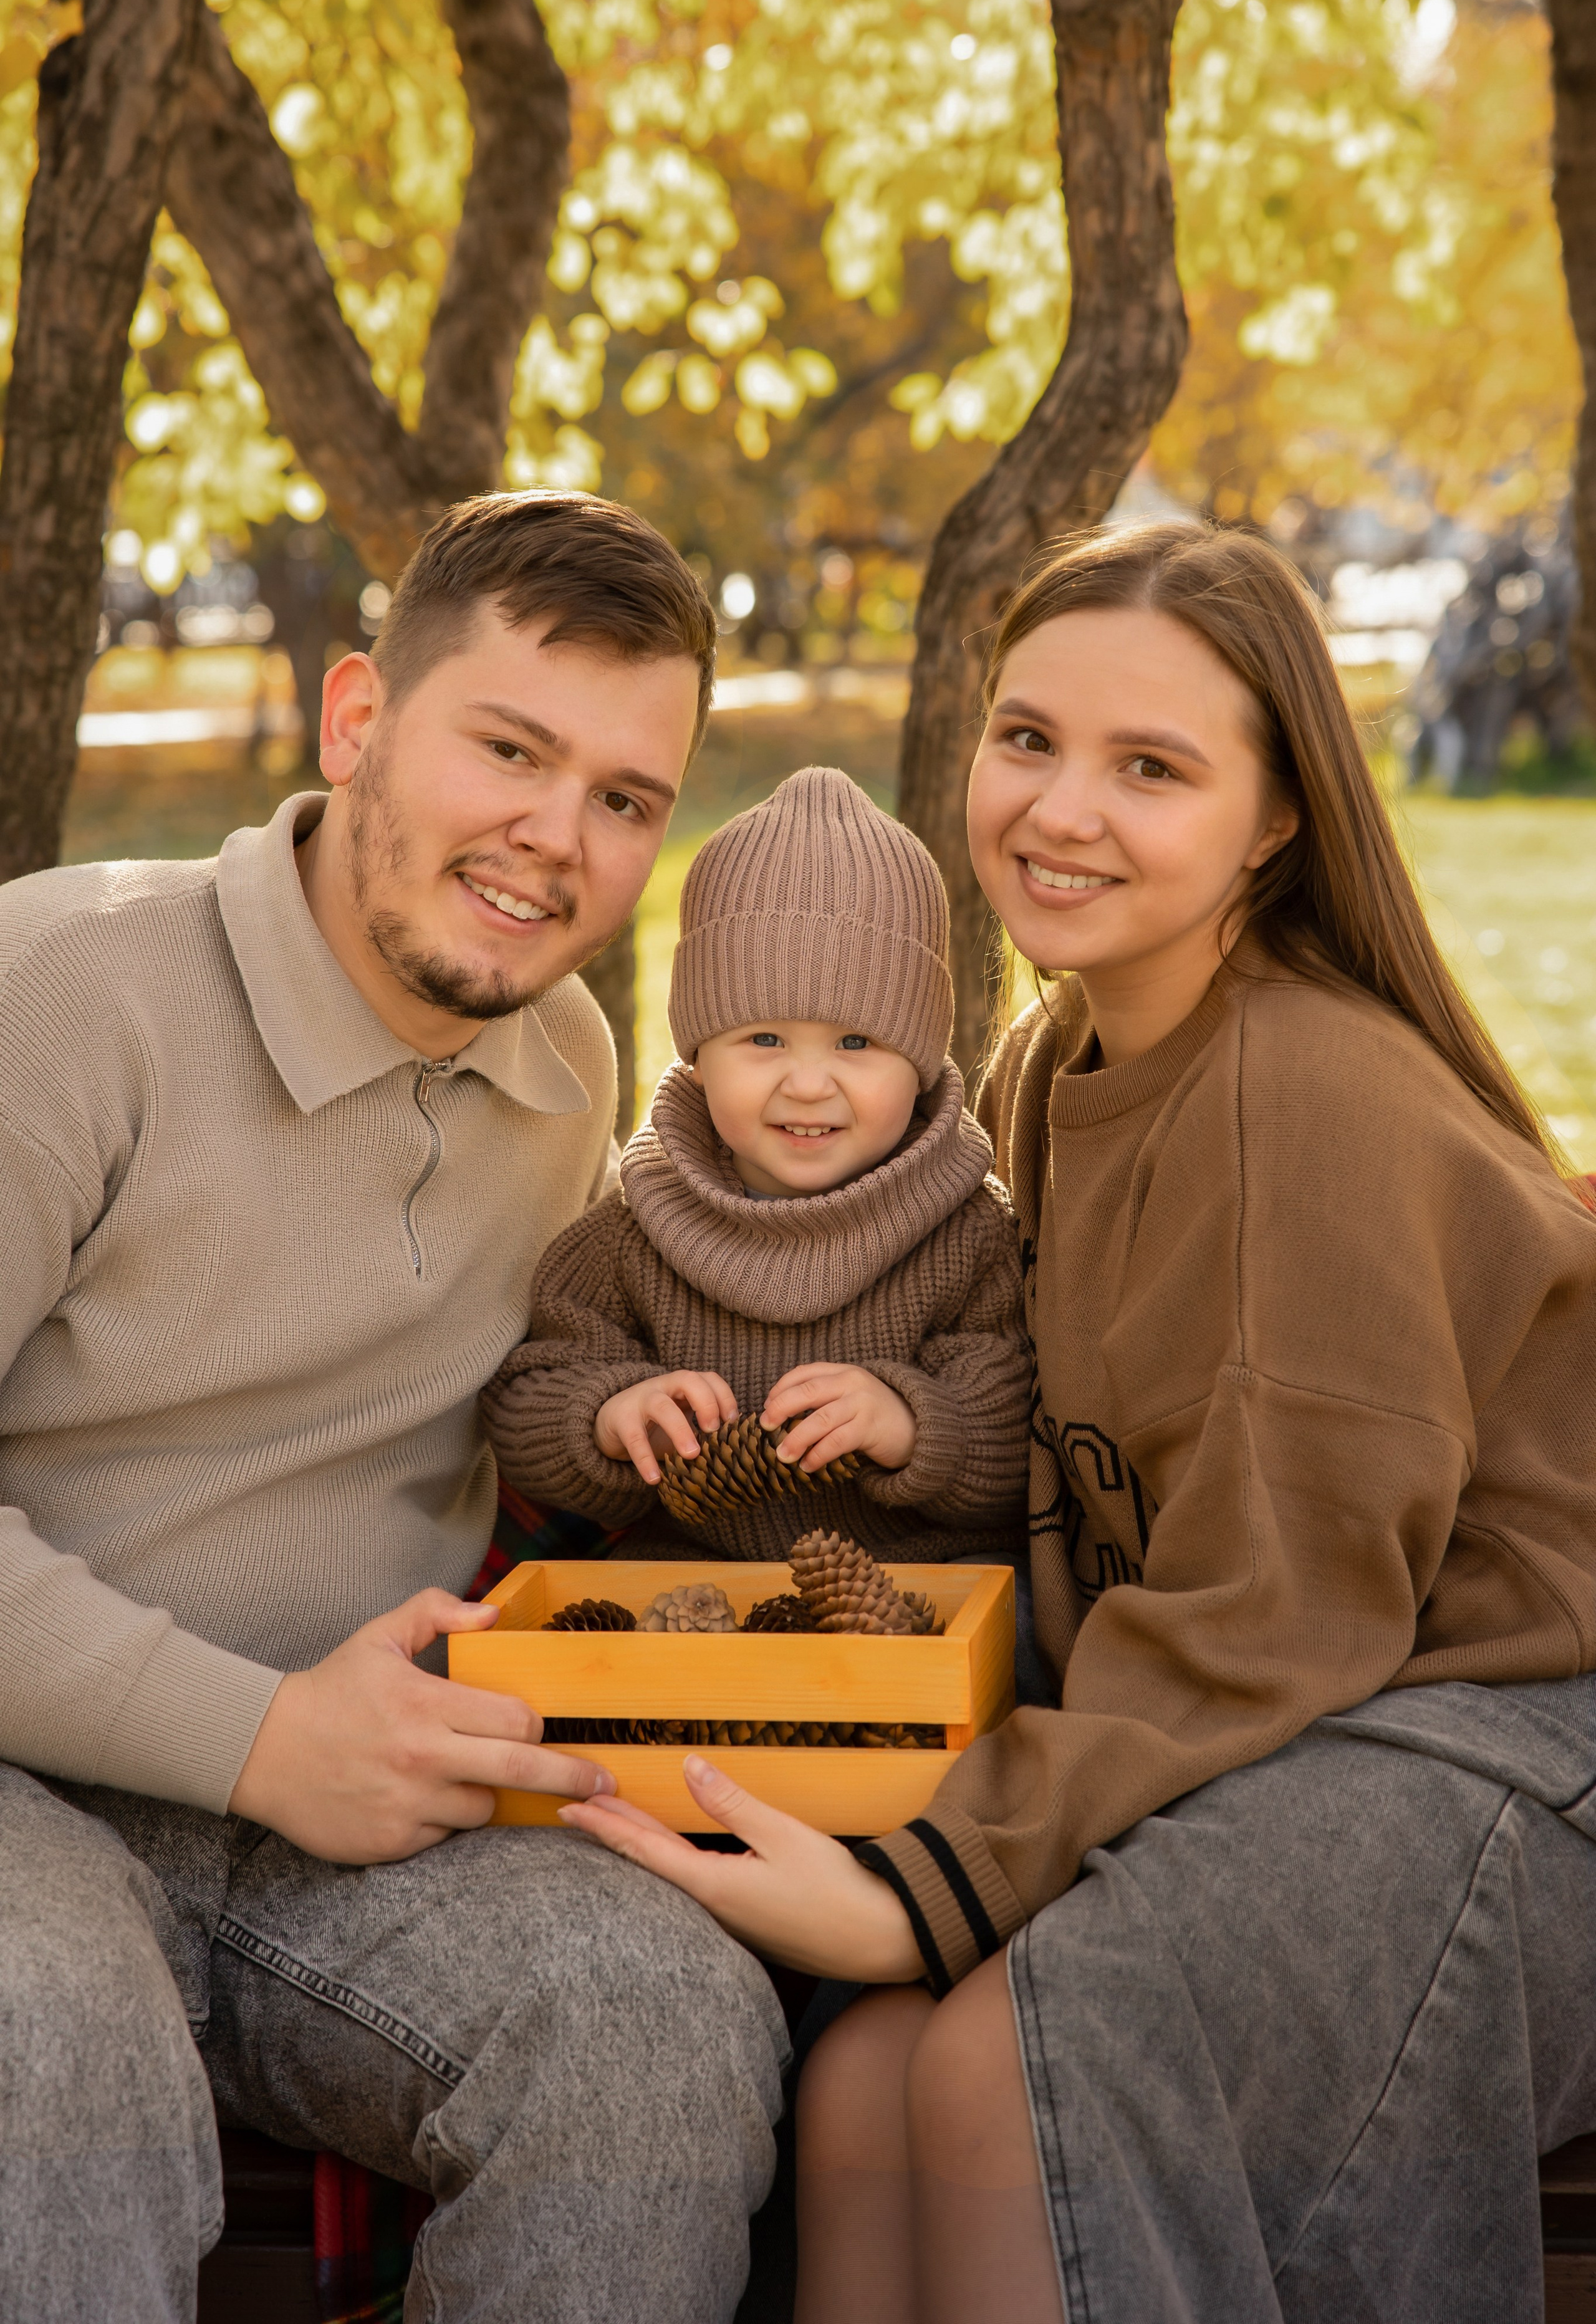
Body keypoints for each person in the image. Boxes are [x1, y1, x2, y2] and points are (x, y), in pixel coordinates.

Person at [559, 517, 1596, 2324]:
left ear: (1274, 820)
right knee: (870, 2067)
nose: (1061, 809)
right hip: (1291, 1703)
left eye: (1153, 768)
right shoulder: (1061, 1058)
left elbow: (1275, 1613)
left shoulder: (1305, 1093)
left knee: (1004, 2059)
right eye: (1027, 738)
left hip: (1496, 1739)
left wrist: (928, 1881)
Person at [0, 490, 789, 2324]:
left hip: (355, 1822)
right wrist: (262, 1735)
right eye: (507, 748)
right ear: (358, 719)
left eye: (624, 798)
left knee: (658, 2026)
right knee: (44, 2046)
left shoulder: (569, 1063)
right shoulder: (64, 995)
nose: (555, 841)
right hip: (29, 1787)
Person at [484, 766, 1031, 1571]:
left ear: (919, 1064)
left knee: (1009, 1636)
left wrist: (914, 1422)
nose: (808, 1083)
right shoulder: (640, 1225)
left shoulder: (966, 1228)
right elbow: (529, 1393)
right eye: (763, 1039)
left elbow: (1021, 1429)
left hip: (916, 1589)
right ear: (698, 1055)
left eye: (856, 1042)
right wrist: (607, 1415)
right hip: (698, 1588)